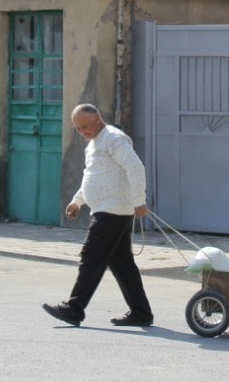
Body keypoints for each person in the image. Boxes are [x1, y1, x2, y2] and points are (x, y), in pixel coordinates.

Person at [42, 103, 154, 328]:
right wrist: (77, 201)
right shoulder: (94, 144)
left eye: (85, 126)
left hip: (112, 209)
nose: (82, 132)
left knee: (91, 256)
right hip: (107, 209)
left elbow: (135, 167)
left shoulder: (113, 138)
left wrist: (139, 201)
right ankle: (141, 312)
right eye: (78, 128)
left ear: (97, 118)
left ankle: (74, 308)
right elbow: (93, 176)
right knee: (122, 263)